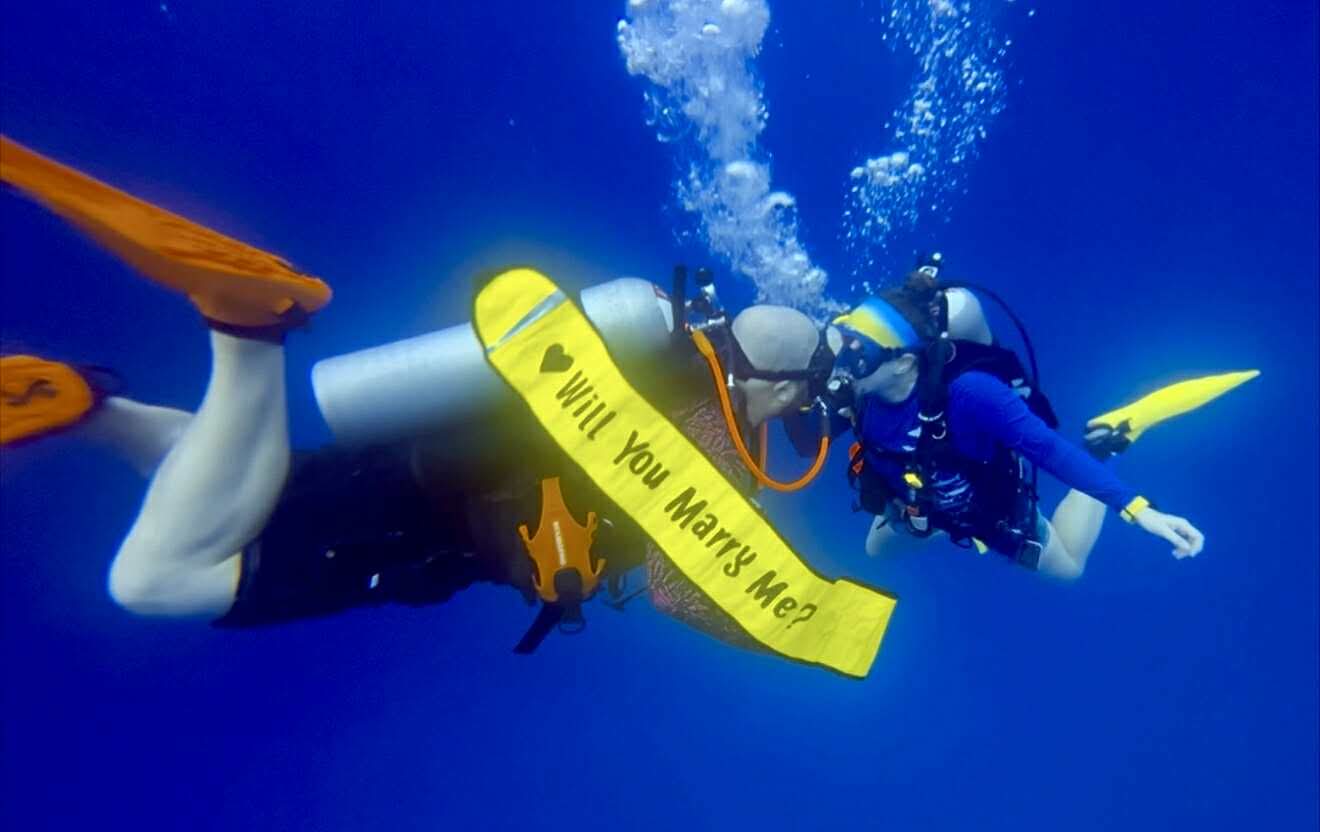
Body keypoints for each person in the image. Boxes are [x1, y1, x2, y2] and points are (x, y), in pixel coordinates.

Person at [0, 136, 831, 654]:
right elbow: (678, 589)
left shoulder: (659, 366)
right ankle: (246, 327)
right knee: (152, 580)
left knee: (228, 476)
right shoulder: (707, 440)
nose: (794, 418)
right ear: (774, 382)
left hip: (397, 472)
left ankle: (91, 406)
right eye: (797, 400)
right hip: (398, 530)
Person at [816, 263, 1250, 580]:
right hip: (919, 502)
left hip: (988, 509)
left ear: (903, 362)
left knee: (1069, 568)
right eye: (845, 341)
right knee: (876, 549)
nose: (845, 362)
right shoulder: (860, 389)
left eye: (861, 353)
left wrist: (1137, 509)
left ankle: (1106, 444)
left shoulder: (970, 395)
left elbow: (1047, 449)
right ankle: (929, 524)